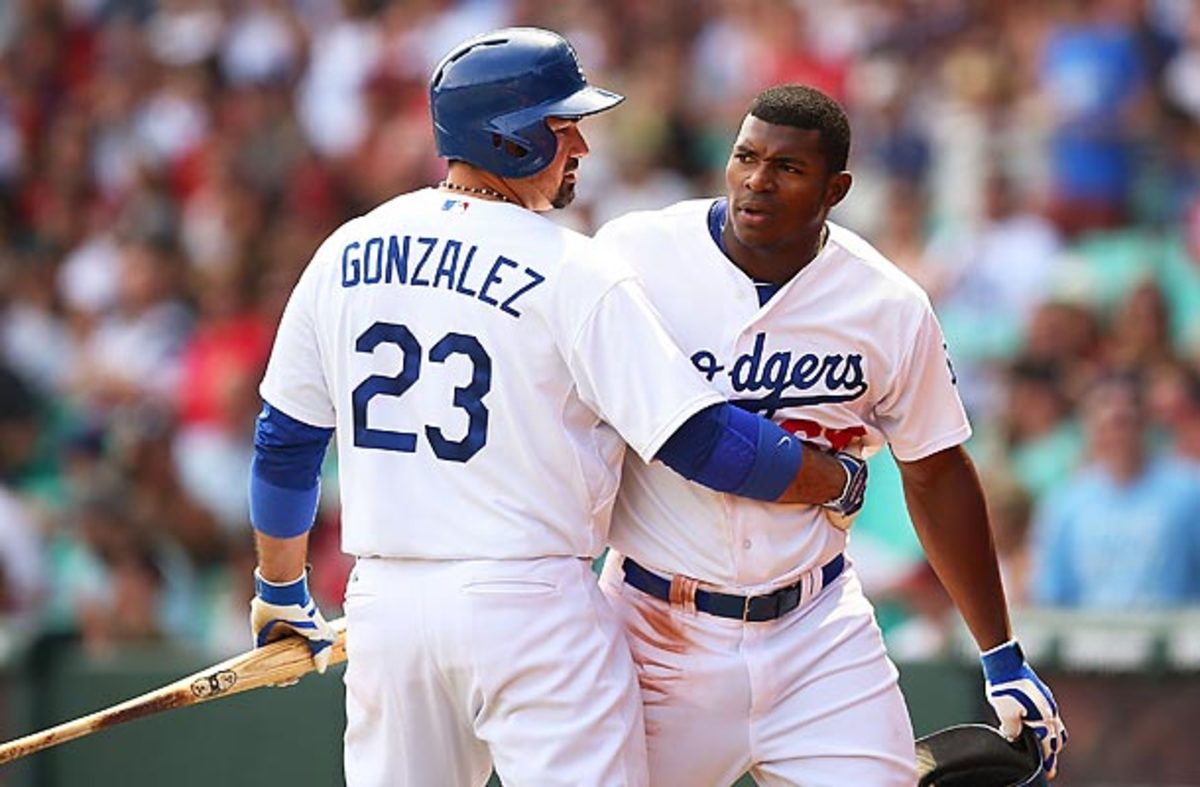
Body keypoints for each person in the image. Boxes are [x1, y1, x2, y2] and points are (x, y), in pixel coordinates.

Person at [246, 30, 863, 787]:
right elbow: (700, 440)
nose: (580, 146)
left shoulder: (347, 250)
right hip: (530, 604)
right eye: (561, 125)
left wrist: (281, 590)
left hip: (387, 607)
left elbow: (285, 444)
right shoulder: (571, 266)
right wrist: (834, 479)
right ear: (509, 139)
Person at [594, 84, 1067, 785]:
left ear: (835, 189)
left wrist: (1000, 653)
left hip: (816, 632)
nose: (758, 180)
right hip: (654, 626)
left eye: (788, 167)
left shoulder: (887, 303)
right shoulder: (634, 256)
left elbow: (936, 469)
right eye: (746, 157)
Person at [1031, 372, 1200, 609]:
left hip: (1172, 628)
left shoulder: (1189, 492)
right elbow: (1052, 591)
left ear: (1145, 421)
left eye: (1123, 421)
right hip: (1089, 629)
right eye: (1106, 423)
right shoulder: (1066, 503)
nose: (1116, 433)